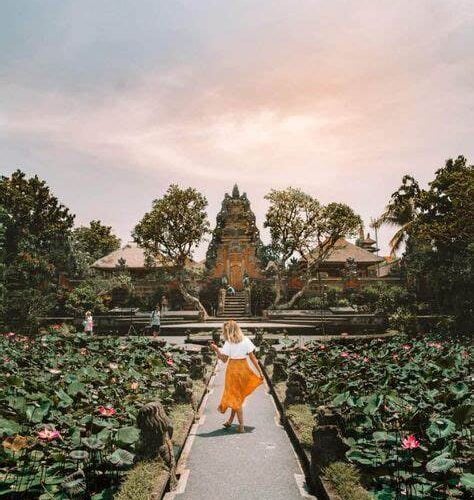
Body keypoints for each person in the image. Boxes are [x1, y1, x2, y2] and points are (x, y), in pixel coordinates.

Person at [210, 320, 263, 433]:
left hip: (233, 371)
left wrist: (216, 350)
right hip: (244, 368)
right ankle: (230, 421)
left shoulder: (229, 343)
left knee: (236, 398)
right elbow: (253, 358)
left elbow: (224, 360)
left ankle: (241, 426)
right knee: (236, 396)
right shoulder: (246, 340)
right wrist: (260, 372)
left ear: (228, 331)